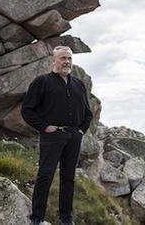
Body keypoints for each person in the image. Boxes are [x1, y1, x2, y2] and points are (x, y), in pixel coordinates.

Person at [21, 46, 93, 225]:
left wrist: (80, 131)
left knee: (68, 178)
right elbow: (27, 110)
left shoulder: (78, 84)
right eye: (62, 58)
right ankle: (37, 217)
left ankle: (66, 218)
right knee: (45, 176)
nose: (67, 62)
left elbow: (87, 113)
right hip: (52, 137)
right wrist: (45, 127)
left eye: (69, 58)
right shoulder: (42, 82)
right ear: (54, 61)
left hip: (73, 137)